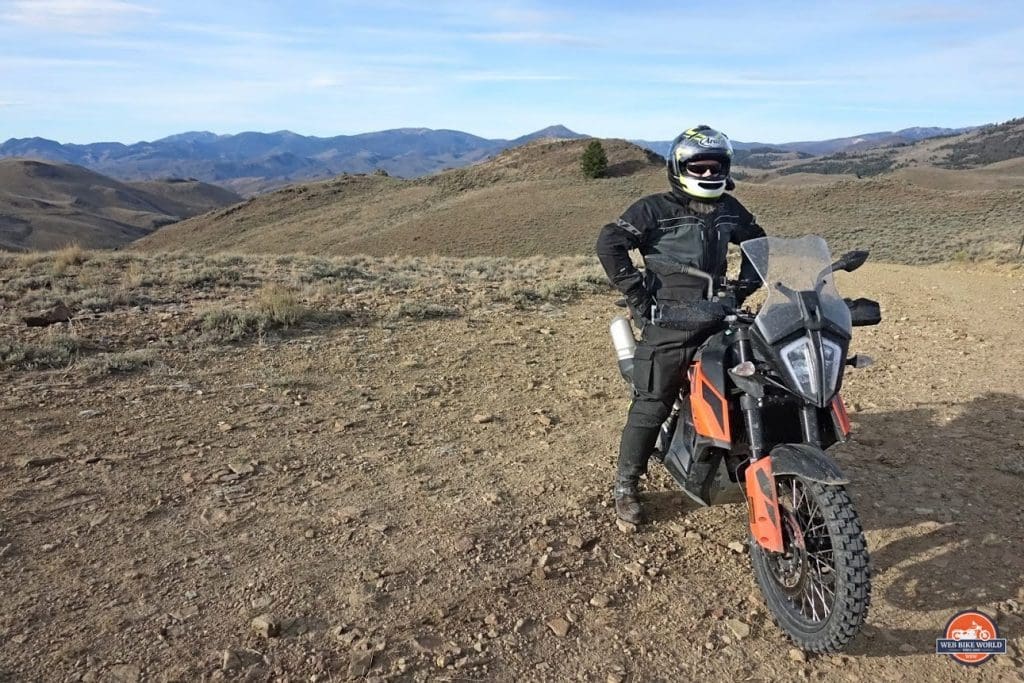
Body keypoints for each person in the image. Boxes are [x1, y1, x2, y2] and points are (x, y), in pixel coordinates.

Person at [595, 125, 766, 525]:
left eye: (715, 167)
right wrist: (638, 296)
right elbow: (610, 242)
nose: (708, 175)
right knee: (653, 398)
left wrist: (740, 291)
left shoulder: (729, 208)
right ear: (679, 166)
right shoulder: (654, 208)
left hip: (717, 312)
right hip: (670, 317)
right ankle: (626, 485)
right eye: (698, 167)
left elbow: (761, 246)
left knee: (756, 375)